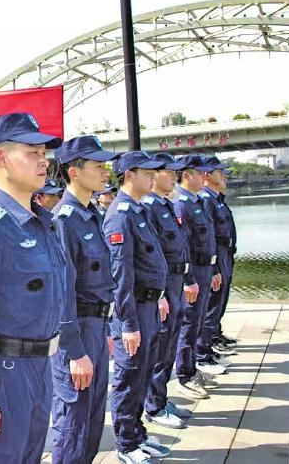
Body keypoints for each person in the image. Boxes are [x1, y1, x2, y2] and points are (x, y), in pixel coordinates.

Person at [0, 112, 73, 462]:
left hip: (41, 366)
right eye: (32, 152)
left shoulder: (43, 224)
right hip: (7, 374)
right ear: (2, 158)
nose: (44, 161)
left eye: (44, 153)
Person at [49, 136, 118, 463]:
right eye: (98, 166)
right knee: (73, 422)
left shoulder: (92, 214)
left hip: (97, 326)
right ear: (74, 172)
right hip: (76, 331)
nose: (105, 172)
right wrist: (75, 351)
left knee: (93, 418)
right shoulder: (64, 219)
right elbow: (62, 292)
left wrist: (109, 330)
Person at [101, 151, 170, 464]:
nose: (152, 177)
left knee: (142, 374)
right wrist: (128, 324)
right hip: (133, 310)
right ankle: (126, 443)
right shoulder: (120, 215)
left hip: (148, 305)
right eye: (147, 173)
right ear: (129, 175)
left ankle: (137, 433)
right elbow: (120, 277)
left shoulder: (138, 210)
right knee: (129, 379)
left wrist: (160, 297)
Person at [141, 153, 194, 429]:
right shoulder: (148, 207)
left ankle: (161, 399)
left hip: (175, 283)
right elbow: (150, 257)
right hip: (163, 287)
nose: (174, 176)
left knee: (170, 344)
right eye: (168, 172)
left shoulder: (166, 205)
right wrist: (160, 294)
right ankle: (153, 406)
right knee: (160, 348)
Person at [173, 154, 224, 404]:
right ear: (187, 175)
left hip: (205, 270)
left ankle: (192, 368)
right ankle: (184, 375)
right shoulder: (181, 203)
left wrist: (213, 269)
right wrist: (187, 279)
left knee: (198, 322)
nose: (205, 176)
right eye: (199, 172)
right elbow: (183, 247)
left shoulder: (197, 201)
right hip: (193, 272)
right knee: (189, 324)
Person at [200, 156, 238, 357]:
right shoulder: (206, 200)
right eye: (220, 172)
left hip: (226, 254)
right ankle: (209, 342)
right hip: (217, 255)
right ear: (207, 175)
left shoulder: (217, 199)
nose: (224, 177)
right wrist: (214, 266)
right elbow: (208, 236)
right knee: (213, 301)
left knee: (220, 299)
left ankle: (215, 334)